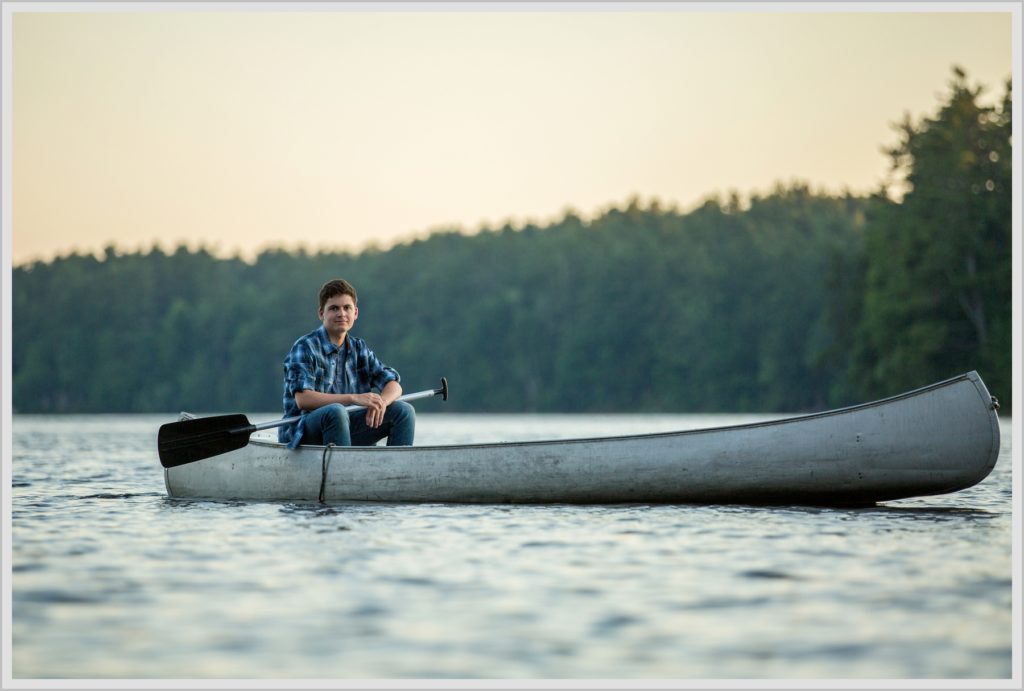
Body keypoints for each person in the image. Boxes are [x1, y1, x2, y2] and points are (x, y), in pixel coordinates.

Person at [279, 279, 415, 449]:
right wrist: (353, 398)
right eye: (334, 308)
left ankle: (397, 472)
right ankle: (342, 472)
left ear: (355, 313)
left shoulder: (359, 349)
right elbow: (303, 399)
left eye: (347, 308)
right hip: (305, 432)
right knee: (336, 411)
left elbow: (394, 385)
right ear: (321, 313)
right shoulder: (305, 346)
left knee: (404, 411)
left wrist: (381, 402)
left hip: (347, 426)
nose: (341, 313)